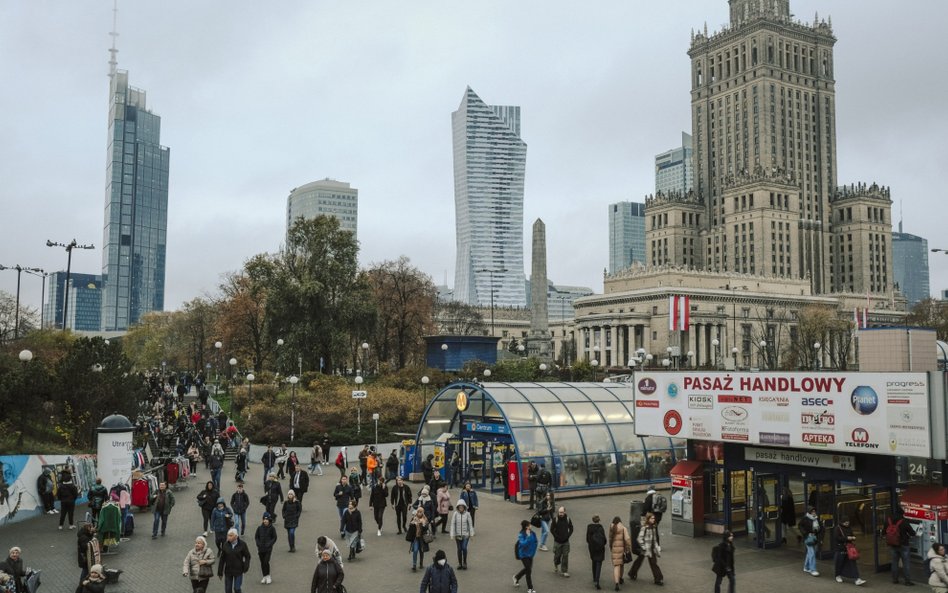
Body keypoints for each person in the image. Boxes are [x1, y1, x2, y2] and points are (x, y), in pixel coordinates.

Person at [630, 512, 663, 585]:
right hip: (645, 549)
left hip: (651, 549)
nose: (653, 520)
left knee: (653, 563)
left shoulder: (653, 527)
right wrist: (644, 547)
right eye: (652, 518)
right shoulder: (644, 528)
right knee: (639, 561)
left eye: (654, 518)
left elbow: (654, 539)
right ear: (648, 519)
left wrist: (657, 547)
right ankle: (632, 573)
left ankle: (658, 578)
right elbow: (639, 538)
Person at [887, 508, 916, 585]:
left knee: (894, 562)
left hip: (893, 545)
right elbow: (912, 533)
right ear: (902, 514)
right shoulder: (904, 521)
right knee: (906, 563)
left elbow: (884, 531)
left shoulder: (889, 520)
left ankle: (895, 579)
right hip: (904, 545)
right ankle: (907, 581)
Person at [833, 517, 866, 586]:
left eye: (848, 522)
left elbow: (852, 535)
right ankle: (837, 575)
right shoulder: (838, 528)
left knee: (852, 563)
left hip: (849, 549)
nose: (847, 523)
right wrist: (847, 538)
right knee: (839, 562)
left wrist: (853, 538)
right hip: (840, 548)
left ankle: (857, 579)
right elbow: (837, 538)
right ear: (842, 522)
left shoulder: (849, 528)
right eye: (846, 522)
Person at [217, 529, 252, 593]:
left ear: (236, 536)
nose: (228, 537)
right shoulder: (225, 545)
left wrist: (246, 566)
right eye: (228, 535)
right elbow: (222, 559)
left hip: (238, 570)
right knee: (228, 590)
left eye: (231, 535)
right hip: (228, 571)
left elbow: (247, 556)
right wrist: (220, 572)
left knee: (237, 588)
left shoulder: (242, 544)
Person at [514, 519, 539, 593]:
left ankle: (516, 577)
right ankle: (530, 588)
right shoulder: (521, 534)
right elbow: (523, 544)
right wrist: (528, 537)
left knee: (527, 569)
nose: (531, 526)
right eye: (529, 525)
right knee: (528, 570)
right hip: (524, 555)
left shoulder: (533, 533)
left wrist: (533, 552)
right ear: (526, 527)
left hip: (530, 555)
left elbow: (535, 542)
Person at [449, 499, 475, 570]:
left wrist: (471, 534)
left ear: (464, 507)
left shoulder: (467, 514)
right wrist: (452, 534)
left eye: (462, 507)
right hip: (457, 535)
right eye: (459, 507)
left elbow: (470, 524)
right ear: (457, 507)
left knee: (464, 548)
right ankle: (460, 563)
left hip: (466, 535)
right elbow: (452, 524)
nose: (461, 508)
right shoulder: (455, 514)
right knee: (459, 549)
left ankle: (465, 562)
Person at [608, 516, 631, 591]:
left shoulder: (612, 528)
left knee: (616, 566)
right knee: (621, 564)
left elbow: (610, 538)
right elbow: (627, 539)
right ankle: (620, 578)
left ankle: (616, 583)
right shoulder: (623, 528)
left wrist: (611, 547)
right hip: (622, 549)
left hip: (614, 549)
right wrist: (628, 548)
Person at [254, 513, 277, 585]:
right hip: (261, 548)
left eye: (266, 519)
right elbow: (256, 537)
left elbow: (274, 537)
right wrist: (258, 544)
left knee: (266, 562)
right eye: (264, 519)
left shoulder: (272, 528)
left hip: (268, 549)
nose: (265, 521)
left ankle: (268, 576)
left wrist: (269, 544)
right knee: (262, 563)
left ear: (269, 520)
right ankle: (264, 576)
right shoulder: (259, 528)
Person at [551, 505, 574, 578]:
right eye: (559, 512)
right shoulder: (555, 519)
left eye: (562, 512)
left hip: (565, 541)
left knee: (565, 556)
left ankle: (564, 571)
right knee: (557, 555)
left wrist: (568, 535)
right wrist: (556, 536)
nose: (560, 514)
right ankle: (556, 563)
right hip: (557, 541)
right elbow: (552, 529)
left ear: (564, 512)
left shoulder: (568, 519)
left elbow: (571, 528)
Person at [799, 506, 822, 577]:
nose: (814, 513)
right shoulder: (805, 518)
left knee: (810, 553)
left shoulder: (817, 519)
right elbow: (800, 525)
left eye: (814, 511)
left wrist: (820, 538)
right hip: (808, 538)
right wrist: (805, 533)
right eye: (812, 511)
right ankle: (813, 569)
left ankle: (806, 567)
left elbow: (821, 528)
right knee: (812, 553)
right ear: (809, 512)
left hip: (815, 538)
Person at [586, 515, 607, 590]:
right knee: (599, 563)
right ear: (599, 520)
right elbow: (604, 540)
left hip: (592, 548)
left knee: (593, 561)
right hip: (600, 548)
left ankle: (594, 577)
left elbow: (587, 539)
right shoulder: (601, 528)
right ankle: (597, 580)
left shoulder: (589, 527)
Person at [407, 506, 431, 571]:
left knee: (421, 551)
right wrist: (413, 524)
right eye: (418, 511)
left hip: (422, 538)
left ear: (423, 513)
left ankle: (421, 563)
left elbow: (426, 528)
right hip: (415, 538)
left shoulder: (425, 519)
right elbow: (410, 528)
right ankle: (414, 565)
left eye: (421, 512)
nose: (419, 513)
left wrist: (423, 524)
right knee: (415, 550)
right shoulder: (414, 518)